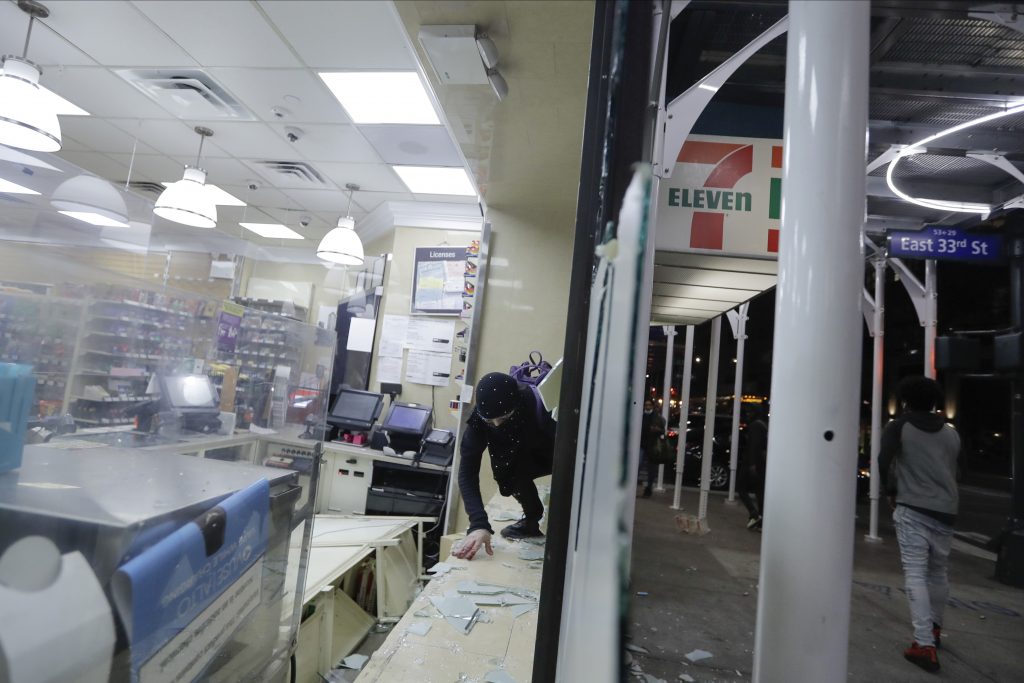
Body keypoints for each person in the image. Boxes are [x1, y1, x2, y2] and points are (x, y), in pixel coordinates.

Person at [879, 375, 960, 674]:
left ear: (905, 401)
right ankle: (936, 629)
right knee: (938, 571)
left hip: (913, 507)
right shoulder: (952, 434)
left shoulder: (899, 427)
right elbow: (956, 470)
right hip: (947, 510)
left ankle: (923, 644)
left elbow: (884, 460)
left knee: (915, 574)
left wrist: (890, 491)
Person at [451, 372, 556, 561]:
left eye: (504, 417)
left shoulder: (539, 406)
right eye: (491, 421)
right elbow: (467, 472)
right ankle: (532, 519)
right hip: (515, 454)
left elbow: (573, 464)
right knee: (507, 473)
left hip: (549, 448)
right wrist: (478, 524)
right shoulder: (480, 419)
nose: (497, 425)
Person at [737, 404, 768, 530]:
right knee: (759, 490)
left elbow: (754, 446)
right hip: (761, 462)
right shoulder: (763, 425)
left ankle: (754, 514)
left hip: (751, 462)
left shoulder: (755, 426)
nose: (748, 414)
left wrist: (752, 464)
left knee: (741, 487)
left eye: (750, 412)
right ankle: (760, 518)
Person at [639, 399, 666, 497]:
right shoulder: (641, 416)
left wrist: (656, 429)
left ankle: (648, 489)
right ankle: (638, 487)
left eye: (649, 405)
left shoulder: (657, 418)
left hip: (652, 445)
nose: (647, 406)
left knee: (651, 469)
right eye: (646, 404)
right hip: (642, 444)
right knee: (638, 465)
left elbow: (662, 430)